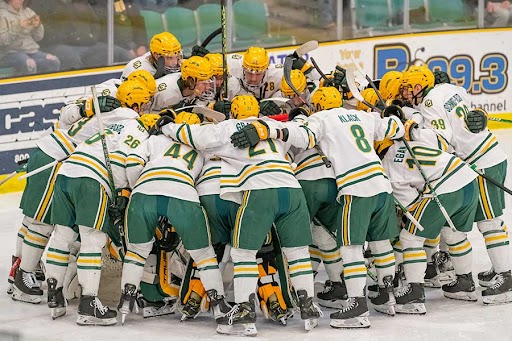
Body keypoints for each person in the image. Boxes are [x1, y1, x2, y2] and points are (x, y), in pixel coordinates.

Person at [154, 94, 321, 336]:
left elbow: (195, 136)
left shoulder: (227, 127)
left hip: (259, 189)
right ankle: (308, 305)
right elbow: (306, 135)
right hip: (292, 188)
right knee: (297, 252)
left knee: (242, 253)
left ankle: (244, 308)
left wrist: (167, 125)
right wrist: (294, 116)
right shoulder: (272, 125)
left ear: (233, 113)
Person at [400, 64, 512, 305]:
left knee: (489, 222)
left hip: (479, 160)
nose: (406, 93)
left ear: (420, 86)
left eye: (409, 88)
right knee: (490, 220)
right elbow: (464, 100)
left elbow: (443, 143)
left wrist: (415, 132)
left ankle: (506, 278)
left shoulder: (428, 104)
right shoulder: (449, 88)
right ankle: (499, 268)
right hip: (492, 152)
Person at [44, 80, 153, 325]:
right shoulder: (136, 127)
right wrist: (127, 192)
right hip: (91, 180)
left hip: (66, 173)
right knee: (93, 239)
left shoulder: (103, 119)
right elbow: (132, 162)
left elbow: (66, 128)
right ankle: (88, 304)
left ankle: (55, 293)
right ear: (139, 104)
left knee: (62, 236)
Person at [30, 0, 131, 71]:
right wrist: (67, 37)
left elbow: (95, 23)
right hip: (56, 45)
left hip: (87, 43)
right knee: (71, 58)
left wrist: (92, 37)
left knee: (121, 54)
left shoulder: (81, 2)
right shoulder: (41, 3)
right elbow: (41, 29)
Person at [0, 0, 60, 75]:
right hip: (9, 53)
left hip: (31, 51)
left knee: (53, 61)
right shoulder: (2, 14)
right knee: (29, 64)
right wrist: (19, 28)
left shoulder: (28, 12)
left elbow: (39, 38)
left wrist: (37, 26)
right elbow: (2, 41)